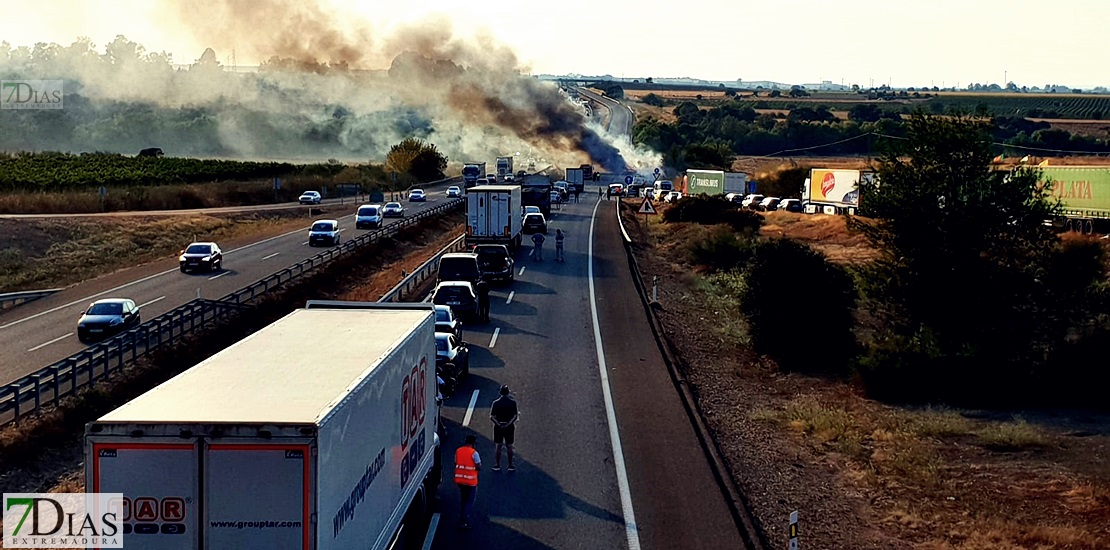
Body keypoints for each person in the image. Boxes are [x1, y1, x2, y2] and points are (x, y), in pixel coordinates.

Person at [489, 385, 519, 471]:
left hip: (498, 427)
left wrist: (498, 424)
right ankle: (510, 465)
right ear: (508, 392)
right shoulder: (513, 403)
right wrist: (508, 424)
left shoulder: (496, 403)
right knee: (509, 445)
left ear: (500, 392)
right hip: (509, 427)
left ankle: (497, 465)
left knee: (498, 445)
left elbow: (492, 416)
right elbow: (515, 416)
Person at [455, 434, 481, 529]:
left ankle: (462, 515)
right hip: (470, 481)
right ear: (473, 443)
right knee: (469, 501)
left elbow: (455, 462)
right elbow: (478, 466)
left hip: (460, 480)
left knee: (463, 499)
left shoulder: (458, 451)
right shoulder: (474, 453)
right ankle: (464, 520)